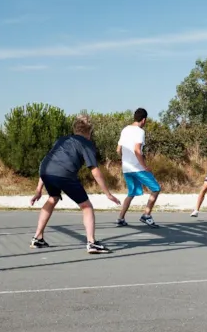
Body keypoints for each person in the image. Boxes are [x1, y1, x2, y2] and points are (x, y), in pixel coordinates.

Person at [29, 114, 121, 253]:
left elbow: (48, 163)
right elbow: (95, 171)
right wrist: (108, 194)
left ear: (75, 129)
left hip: (45, 171)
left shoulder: (62, 140)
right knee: (86, 206)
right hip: (64, 174)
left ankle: (37, 238)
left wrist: (38, 189)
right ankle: (92, 243)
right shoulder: (86, 143)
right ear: (89, 131)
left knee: (52, 198)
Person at [116, 108, 161, 228]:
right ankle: (146, 215)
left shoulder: (125, 129)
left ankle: (120, 218)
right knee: (156, 188)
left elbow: (118, 150)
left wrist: (125, 160)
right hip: (137, 168)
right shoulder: (140, 131)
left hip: (126, 168)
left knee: (131, 193)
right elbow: (137, 150)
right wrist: (144, 166)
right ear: (144, 120)